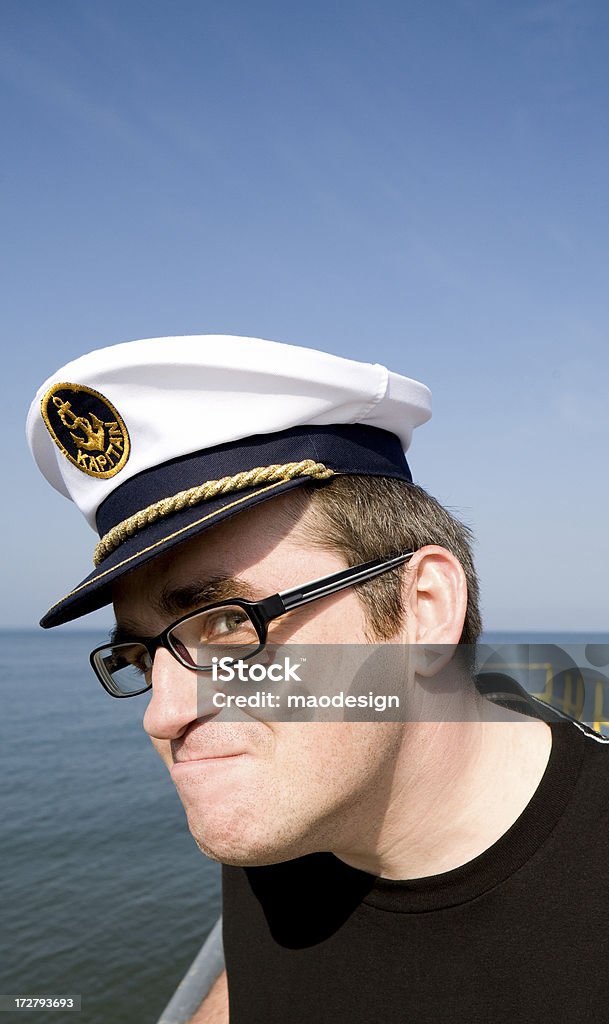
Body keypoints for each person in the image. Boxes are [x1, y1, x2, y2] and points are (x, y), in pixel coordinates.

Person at [28, 335, 609, 1023]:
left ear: (423, 609)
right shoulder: (284, 808)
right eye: (142, 656)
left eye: (226, 625)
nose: (162, 716)